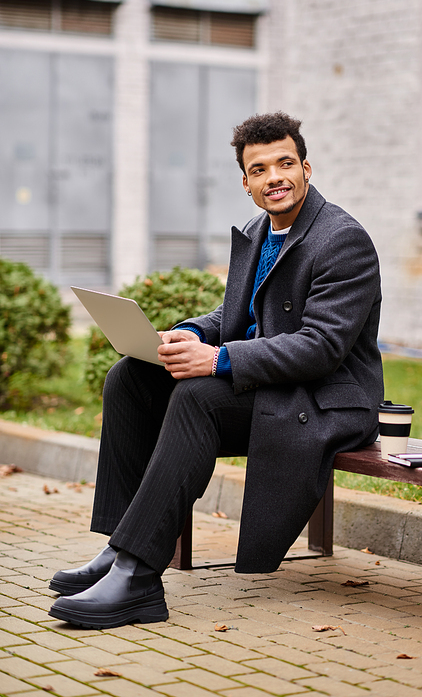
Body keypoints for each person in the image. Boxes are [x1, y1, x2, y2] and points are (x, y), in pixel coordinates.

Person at [49, 111, 384, 629]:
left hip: (325, 401)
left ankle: (137, 578)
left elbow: (321, 348)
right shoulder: (257, 230)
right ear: (246, 183)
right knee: (130, 379)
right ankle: (119, 550)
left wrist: (221, 359)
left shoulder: (342, 240)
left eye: (285, 163)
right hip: (275, 388)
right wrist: (196, 334)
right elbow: (240, 316)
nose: (275, 177)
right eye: (260, 169)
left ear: (307, 168)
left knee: (198, 397)